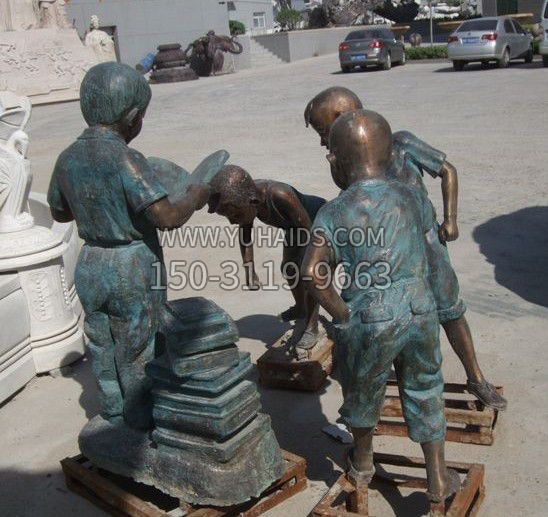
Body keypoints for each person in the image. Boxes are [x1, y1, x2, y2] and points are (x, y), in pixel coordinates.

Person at [304, 86, 506, 410]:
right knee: (394, 319)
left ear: (341, 116)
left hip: (426, 244)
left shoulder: (399, 143)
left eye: (322, 131)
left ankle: (476, 377)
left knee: (450, 309)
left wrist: (451, 219)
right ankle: (396, 379)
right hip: (389, 252)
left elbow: (447, 171)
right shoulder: (345, 159)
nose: (322, 141)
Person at [301, 109, 461, 503]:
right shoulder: (411, 197)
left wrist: (343, 315)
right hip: (420, 309)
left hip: (371, 318)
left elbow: (311, 272)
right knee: (426, 387)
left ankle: (362, 464)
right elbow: (428, 249)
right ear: (389, 154)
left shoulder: (333, 211)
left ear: (337, 161)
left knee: (362, 391)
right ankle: (437, 478)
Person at [47, 63, 209, 430]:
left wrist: (93, 204)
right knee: (138, 345)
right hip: (130, 265)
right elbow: (166, 216)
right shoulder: (126, 158)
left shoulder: (67, 157)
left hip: (90, 261)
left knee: (101, 342)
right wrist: (195, 196)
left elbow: (59, 211)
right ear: (132, 116)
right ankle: (141, 425)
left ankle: (113, 410)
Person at [208, 165, 325, 354]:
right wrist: (250, 271)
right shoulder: (247, 196)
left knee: (308, 274)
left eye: (235, 215)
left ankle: (312, 325)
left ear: (253, 202)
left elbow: (308, 230)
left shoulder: (281, 195)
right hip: (293, 228)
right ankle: (301, 308)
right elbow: (245, 236)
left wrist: (309, 261)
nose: (233, 221)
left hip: (317, 223)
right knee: (288, 269)